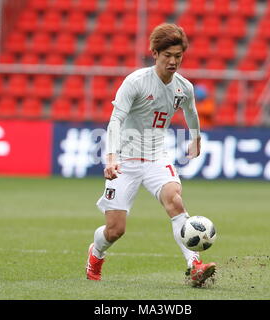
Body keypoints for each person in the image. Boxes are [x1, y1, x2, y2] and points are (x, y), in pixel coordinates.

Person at [85, 23, 217, 287]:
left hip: (157, 156)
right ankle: (96, 253)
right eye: (167, 55)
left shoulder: (184, 87)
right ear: (155, 53)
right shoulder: (135, 82)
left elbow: (191, 111)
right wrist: (110, 157)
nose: (173, 61)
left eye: (178, 56)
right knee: (115, 230)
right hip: (125, 159)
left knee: (175, 200)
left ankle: (194, 265)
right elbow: (116, 120)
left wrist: (196, 138)